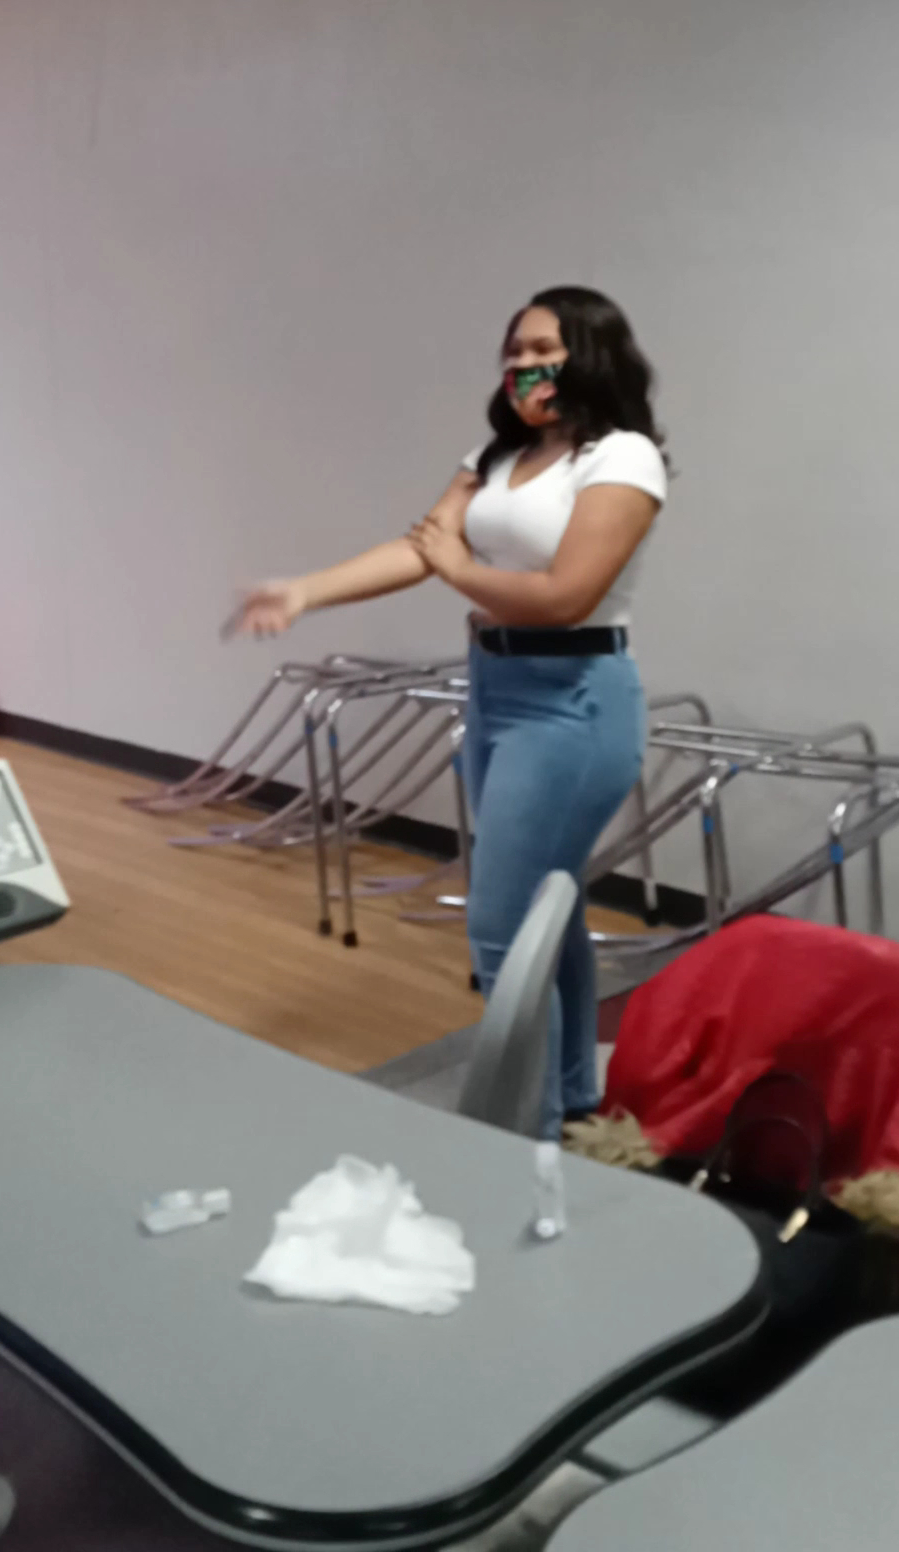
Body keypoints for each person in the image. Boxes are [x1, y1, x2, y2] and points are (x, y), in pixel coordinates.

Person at [229, 286, 667, 1138]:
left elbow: (566, 597)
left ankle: (523, 1133)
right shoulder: (497, 455)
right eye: (513, 351)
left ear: (589, 354)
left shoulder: (622, 458)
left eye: (542, 349)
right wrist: (305, 591)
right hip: (495, 688)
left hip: (574, 702)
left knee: (502, 926)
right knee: (549, 910)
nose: (522, 365)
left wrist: (460, 568)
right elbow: (419, 548)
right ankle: (571, 1098)